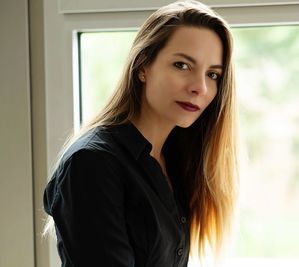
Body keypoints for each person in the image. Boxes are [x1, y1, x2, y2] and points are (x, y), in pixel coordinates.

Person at [43, 0, 238, 266]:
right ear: (143, 66)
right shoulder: (92, 164)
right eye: (182, 65)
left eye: (213, 74)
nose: (200, 87)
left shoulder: (178, 160)